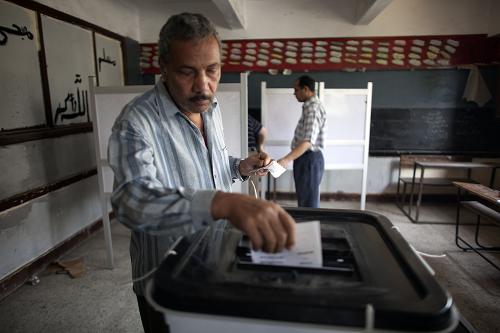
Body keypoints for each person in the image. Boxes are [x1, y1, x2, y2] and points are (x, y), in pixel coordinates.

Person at [108, 13, 295, 333]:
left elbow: (209, 168)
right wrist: (219, 203)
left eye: (212, 70)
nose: (203, 85)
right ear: (163, 66)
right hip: (166, 281)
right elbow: (130, 200)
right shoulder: (137, 121)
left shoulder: (212, 109)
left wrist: (239, 167)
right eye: (186, 72)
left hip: (217, 265)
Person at [277, 75, 327, 208]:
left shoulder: (313, 109)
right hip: (306, 159)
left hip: (309, 159)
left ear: (306, 89)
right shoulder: (309, 107)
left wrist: (286, 159)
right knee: (305, 200)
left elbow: (307, 142)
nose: (294, 93)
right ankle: (308, 227)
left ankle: (310, 228)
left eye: (296, 90)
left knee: (308, 205)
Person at [248, 114, 267, 197]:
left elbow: (263, 131)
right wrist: (260, 147)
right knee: (252, 185)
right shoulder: (248, 117)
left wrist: (260, 147)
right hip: (248, 152)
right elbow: (263, 131)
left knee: (252, 186)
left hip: (251, 152)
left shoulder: (247, 117)